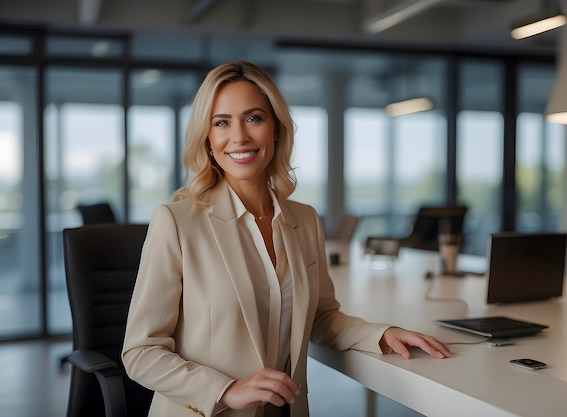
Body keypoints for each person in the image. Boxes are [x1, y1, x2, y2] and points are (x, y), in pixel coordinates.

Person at [121, 60, 453, 417]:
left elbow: (322, 318)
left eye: (253, 118)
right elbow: (140, 352)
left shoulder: (305, 220)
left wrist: (383, 334)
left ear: (276, 129)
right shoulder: (176, 221)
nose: (240, 137)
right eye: (222, 122)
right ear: (208, 137)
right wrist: (226, 389)